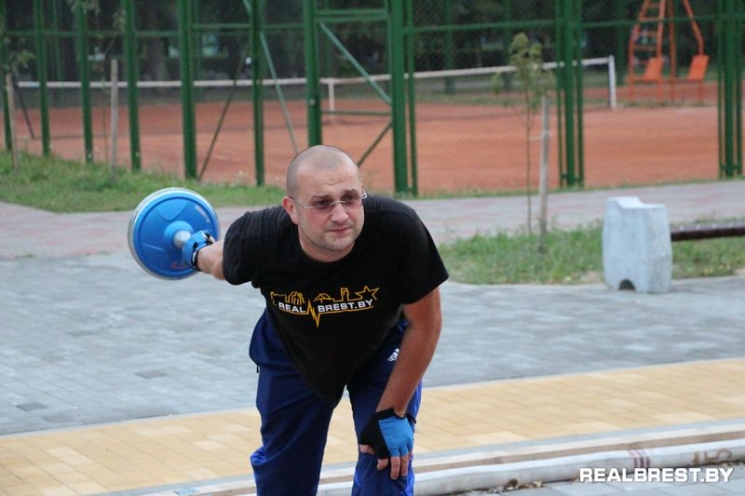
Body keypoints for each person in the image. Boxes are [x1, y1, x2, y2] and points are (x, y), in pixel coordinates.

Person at [184, 144, 448, 495]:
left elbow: (426, 323)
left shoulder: (397, 229)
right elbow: (220, 263)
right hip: (293, 350)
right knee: (285, 481)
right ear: (291, 209)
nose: (340, 215)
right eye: (322, 204)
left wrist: (393, 411)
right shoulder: (260, 238)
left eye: (350, 199)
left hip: (381, 345)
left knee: (386, 467)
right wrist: (195, 251)